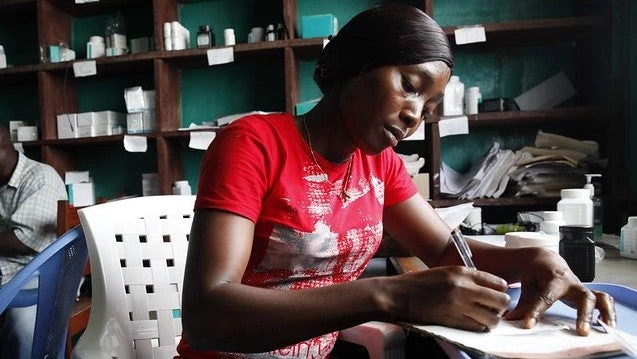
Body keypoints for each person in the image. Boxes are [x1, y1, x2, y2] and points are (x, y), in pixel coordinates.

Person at [179, 4, 615, 358]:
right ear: (356, 65)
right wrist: (391, 295)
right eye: (410, 85)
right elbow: (207, 316)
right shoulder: (254, 143)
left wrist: (532, 260)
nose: (414, 116)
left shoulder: (380, 164)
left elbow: (447, 251)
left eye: (428, 107)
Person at [0, 122, 68, 358]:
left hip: (37, 273)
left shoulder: (40, 178)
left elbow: (25, 241)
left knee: (23, 328)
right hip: (7, 271)